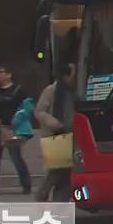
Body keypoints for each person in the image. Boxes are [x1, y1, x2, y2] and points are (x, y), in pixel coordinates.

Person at [0, 66, 33, 196]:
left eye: (1, 72)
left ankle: (26, 184)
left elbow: (28, 108)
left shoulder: (18, 91)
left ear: (9, 75)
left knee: (16, 157)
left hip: (11, 129)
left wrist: (15, 120)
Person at [33, 63, 76, 202]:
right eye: (73, 74)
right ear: (65, 76)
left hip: (72, 136)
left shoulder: (76, 91)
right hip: (55, 137)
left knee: (66, 174)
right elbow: (39, 111)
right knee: (56, 170)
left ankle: (59, 204)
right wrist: (54, 123)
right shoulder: (52, 90)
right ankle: (42, 195)